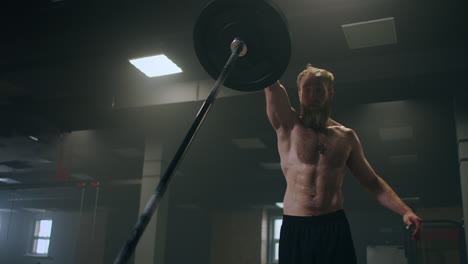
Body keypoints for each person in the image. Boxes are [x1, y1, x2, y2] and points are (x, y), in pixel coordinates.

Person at [264, 64, 422, 264]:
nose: (313, 95)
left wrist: (406, 211)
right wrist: (262, 58)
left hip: (333, 225)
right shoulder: (288, 125)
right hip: (296, 226)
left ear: (330, 93)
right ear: (299, 93)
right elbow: (271, 86)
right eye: (308, 89)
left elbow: (372, 182)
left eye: (319, 90)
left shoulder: (346, 137)